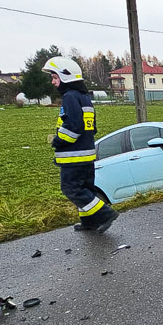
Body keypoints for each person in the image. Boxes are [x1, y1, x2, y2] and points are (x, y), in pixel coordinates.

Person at [44, 56, 119, 233]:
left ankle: (104, 213)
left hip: (73, 155)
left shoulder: (69, 97)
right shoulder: (84, 98)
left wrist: (59, 141)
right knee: (85, 189)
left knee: (71, 188)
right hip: (87, 153)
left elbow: (74, 126)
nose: (53, 82)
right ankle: (89, 222)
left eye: (55, 78)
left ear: (66, 77)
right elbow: (92, 127)